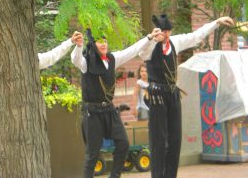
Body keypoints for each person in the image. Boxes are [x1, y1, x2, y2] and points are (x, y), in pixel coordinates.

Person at [139, 14, 234, 178]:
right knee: (159, 140)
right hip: (157, 95)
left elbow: (195, 36)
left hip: (172, 93)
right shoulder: (150, 46)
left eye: (168, 31)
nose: (167, 35)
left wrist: (216, 22)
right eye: (164, 31)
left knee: (175, 139)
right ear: (157, 31)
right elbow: (141, 52)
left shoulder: (174, 42)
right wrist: (151, 38)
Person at [71, 28, 162, 178]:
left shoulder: (112, 59)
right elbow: (76, 59)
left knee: (123, 144)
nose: (104, 44)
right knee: (92, 154)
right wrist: (79, 45)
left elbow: (132, 50)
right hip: (92, 113)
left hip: (109, 111)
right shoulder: (86, 62)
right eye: (100, 42)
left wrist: (149, 37)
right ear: (93, 44)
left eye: (105, 41)